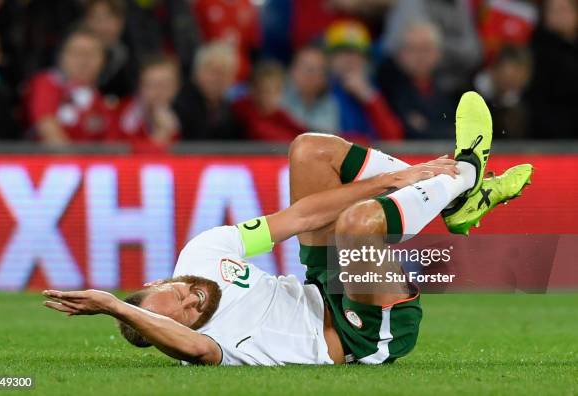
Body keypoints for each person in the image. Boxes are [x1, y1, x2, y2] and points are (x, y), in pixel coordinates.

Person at [44, 92, 534, 365]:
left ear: (158, 281)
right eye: (189, 315)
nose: (194, 301)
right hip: (359, 334)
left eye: (178, 296)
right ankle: (467, 170)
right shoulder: (203, 347)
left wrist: (394, 179)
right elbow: (189, 342)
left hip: (321, 287)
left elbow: (299, 218)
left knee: (309, 150)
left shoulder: (201, 251)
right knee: (358, 224)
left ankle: (456, 199)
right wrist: (110, 304)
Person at [26, 29, 112, 145]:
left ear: (102, 60)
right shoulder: (48, 83)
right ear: (62, 57)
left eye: (91, 54)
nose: (84, 61)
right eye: (77, 53)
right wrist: (74, 161)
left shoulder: (100, 98)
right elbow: (47, 128)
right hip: (53, 161)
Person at [325, 20, 404, 140]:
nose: (349, 60)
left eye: (356, 53)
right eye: (342, 53)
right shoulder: (321, 88)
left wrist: (370, 98)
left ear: (366, 60)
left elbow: (394, 137)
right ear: (330, 59)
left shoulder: (375, 91)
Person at [383, 0, 482, 96]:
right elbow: (416, 40)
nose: (422, 54)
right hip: (409, 85)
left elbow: (473, 52)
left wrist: (439, 45)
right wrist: (431, 47)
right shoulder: (411, 3)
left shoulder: (460, 4)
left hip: (456, 87)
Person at [378, 20, 455, 139]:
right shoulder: (385, 91)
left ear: (439, 53)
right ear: (399, 55)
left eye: (425, 49)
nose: (419, 56)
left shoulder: (454, 90)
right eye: (412, 49)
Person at [527, 0, 578, 139]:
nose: (559, 16)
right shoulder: (536, 50)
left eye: (563, 9)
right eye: (553, 11)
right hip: (550, 132)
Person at [174, 42, 243, 140]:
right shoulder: (180, 105)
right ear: (196, 73)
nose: (218, 79)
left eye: (225, 73)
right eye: (213, 71)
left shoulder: (230, 110)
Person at [112, 56, 180, 148]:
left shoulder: (186, 112)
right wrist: (162, 134)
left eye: (165, 85)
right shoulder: (123, 113)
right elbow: (124, 155)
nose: (159, 92)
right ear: (140, 87)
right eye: (152, 85)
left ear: (176, 87)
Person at [233, 61, 306, 142]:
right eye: (266, 90)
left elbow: (302, 134)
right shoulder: (242, 109)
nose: (271, 96)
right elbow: (260, 132)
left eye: (276, 90)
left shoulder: (279, 114)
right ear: (253, 90)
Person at [81, 0, 137, 99]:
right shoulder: (74, 54)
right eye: (96, 19)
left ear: (121, 22)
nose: (103, 27)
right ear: (86, 21)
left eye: (109, 18)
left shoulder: (131, 59)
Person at [475, 46, 532, 139]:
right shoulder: (465, 94)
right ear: (495, 68)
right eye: (512, 76)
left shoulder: (522, 104)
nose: (515, 82)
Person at [283, 46, 340, 134]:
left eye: (320, 70)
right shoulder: (278, 98)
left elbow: (327, 138)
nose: (314, 75)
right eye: (309, 69)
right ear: (293, 71)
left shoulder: (330, 103)